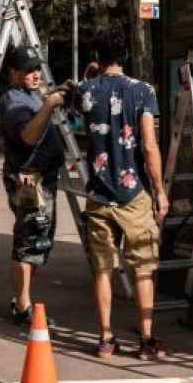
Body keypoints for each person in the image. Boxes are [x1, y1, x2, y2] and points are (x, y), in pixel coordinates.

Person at [75, 25, 168, 360]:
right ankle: (146, 340)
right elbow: (149, 146)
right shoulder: (143, 91)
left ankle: (105, 338)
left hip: (99, 194)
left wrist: (90, 75)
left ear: (97, 57)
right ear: (125, 55)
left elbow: (75, 102)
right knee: (143, 267)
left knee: (102, 269)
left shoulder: (85, 90)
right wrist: (159, 190)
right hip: (134, 194)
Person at [0, 45, 70, 326]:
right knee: (28, 244)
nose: (35, 75)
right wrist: (50, 105)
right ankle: (23, 306)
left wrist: (59, 92)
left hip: (43, 179)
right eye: (28, 70)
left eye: (37, 69)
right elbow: (27, 136)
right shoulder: (13, 101)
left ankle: (21, 298)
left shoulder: (29, 95)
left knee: (38, 242)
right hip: (31, 180)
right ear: (13, 73)